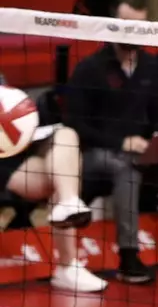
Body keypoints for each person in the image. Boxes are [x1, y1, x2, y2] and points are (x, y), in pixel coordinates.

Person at [65, 0, 158, 284]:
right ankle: (128, 256)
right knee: (124, 168)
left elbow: (157, 117)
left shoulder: (152, 68)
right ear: (113, 24)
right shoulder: (90, 68)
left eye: (140, 25)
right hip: (97, 153)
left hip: (141, 151)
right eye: (127, 24)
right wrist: (121, 142)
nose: (133, 31)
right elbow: (75, 125)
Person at [0, 102, 101, 292]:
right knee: (61, 174)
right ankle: (67, 266)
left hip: (16, 144)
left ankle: (69, 201)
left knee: (67, 135)